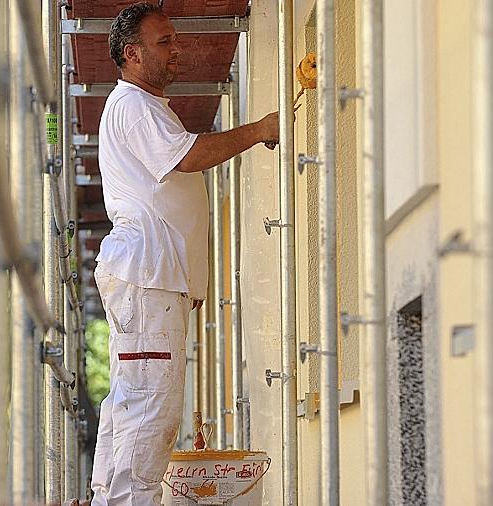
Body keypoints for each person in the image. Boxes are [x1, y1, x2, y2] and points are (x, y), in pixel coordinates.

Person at [91, 3, 279, 504]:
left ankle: (106, 495)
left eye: (174, 40)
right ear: (131, 54)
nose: (177, 50)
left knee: (133, 399)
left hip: (151, 276)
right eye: (164, 42)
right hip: (149, 275)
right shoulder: (131, 105)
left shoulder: (145, 106)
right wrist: (259, 129)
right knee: (151, 408)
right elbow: (189, 155)